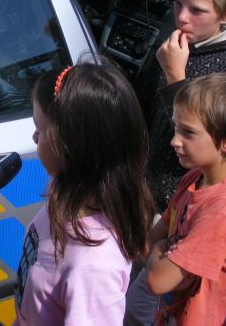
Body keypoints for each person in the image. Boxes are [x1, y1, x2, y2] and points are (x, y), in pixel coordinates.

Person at [14, 61, 155, 324]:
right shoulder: (65, 199)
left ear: (72, 146)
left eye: (41, 129)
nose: (34, 138)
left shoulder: (93, 266)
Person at [140, 73, 226, 325]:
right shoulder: (196, 176)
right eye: (176, 127)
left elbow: (157, 280)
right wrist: (158, 250)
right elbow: (160, 230)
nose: (174, 140)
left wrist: (160, 251)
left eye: (188, 132)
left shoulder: (223, 210)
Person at [146, 0, 226, 211]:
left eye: (197, 10)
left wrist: (175, 76)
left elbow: (209, 139)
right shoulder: (177, 46)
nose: (182, 17)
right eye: (177, 4)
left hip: (185, 201)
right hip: (150, 187)